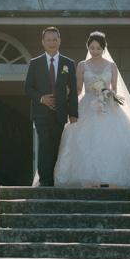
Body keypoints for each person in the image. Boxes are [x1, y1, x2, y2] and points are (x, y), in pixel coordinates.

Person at [54, 30, 130, 188]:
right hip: (87, 105)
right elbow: (78, 88)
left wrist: (107, 93)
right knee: (85, 139)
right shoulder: (82, 65)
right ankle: (87, 178)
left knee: (109, 140)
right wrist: (67, 92)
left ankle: (108, 177)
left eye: (98, 48)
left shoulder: (111, 66)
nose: (95, 51)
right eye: (92, 48)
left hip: (107, 104)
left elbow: (115, 89)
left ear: (104, 48)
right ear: (87, 47)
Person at [24, 26, 78, 186]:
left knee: (56, 145)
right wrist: (42, 98)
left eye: (55, 40)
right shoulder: (35, 63)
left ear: (59, 41)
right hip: (40, 113)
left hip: (60, 113)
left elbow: (73, 91)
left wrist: (74, 114)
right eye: (48, 40)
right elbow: (27, 88)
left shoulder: (68, 64)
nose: (52, 43)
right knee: (44, 144)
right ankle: (45, 179)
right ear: (43, 42)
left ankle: (56, 177)